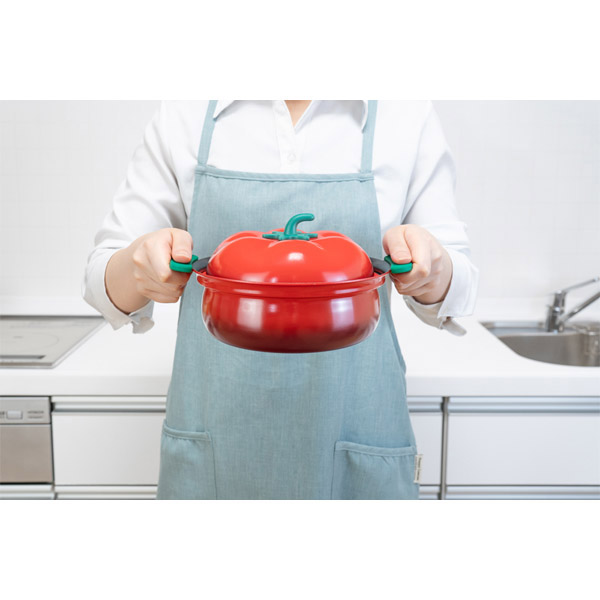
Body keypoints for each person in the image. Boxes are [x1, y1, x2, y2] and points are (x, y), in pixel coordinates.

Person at [84, 100, 478, 499]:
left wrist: (434, 266)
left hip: (359, 429)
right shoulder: (185, 113)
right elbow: (101, 279)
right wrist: (139, 266)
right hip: (215, 439)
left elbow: (459, 283)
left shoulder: (405, 114)